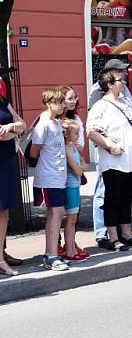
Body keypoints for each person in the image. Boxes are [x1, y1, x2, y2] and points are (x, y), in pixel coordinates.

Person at [86, 70, 132, 251]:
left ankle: (126, 233)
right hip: (114, 160)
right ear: (110, 85)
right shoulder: (101, 106)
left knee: (127, 197)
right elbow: (91, 132)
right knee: (113, 198)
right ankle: (112, 237)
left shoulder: (126, 102)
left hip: (131, 159)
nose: (124, 83)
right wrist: (109, 145)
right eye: (120, 80)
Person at [29, 88, 69, 271]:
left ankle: (50, 253)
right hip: (48, 176)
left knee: (57, 213)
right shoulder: (43, 124)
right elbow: (33, 151)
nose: (63, 105)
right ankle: (52, 256)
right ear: (49, 103)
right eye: (59, 102)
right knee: (56, 212)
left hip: (58, 176)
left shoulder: (56, 123)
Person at [0, 81, 26, 276]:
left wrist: (10, 126)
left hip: (6, 162)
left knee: (3, 212)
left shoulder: (2, 99)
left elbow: (22, 124)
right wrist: (12, 132)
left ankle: (1, 256)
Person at [61, 119, 89, 262]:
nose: (78, 136)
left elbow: (84, 164)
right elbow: (79, 170)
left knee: (73, 218)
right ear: (67, 135)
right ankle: (69, 249)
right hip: (70, 186)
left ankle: (71, 246)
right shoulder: (66, 150)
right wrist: (81, 168)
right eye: (75, 133)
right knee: (71, 219)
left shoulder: (73, 148)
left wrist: (82, 167)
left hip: (75, 185)